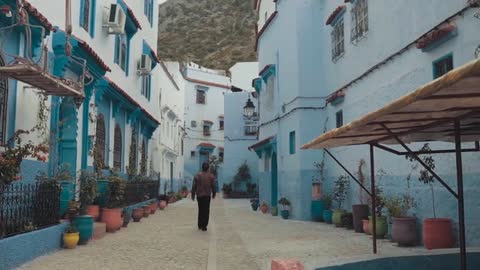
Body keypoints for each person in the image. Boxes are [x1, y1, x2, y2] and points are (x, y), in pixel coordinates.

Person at [191, 162, 216, 231]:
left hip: (199, 195)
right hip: (207, 195)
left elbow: (193, 186)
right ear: (208, 168)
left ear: (202, 167)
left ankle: (200, 224)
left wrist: (193, 194)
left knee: (200, 209)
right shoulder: (211, 176)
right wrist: (214, 194)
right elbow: (213, 186)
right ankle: (204, 226)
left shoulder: (197, 175)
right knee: (206, 210)